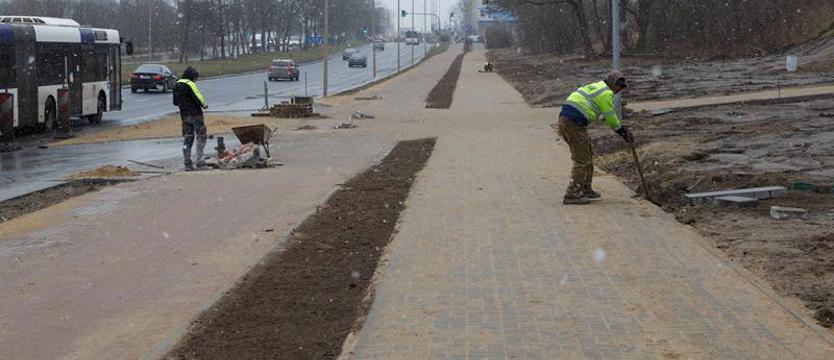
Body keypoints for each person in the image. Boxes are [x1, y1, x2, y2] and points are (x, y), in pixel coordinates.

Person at [558, 70, 634, 205]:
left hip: (571, 122)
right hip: (573, 124)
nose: (618, 91)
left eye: (621, 88)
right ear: (612, 84)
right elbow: (611, 118)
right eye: (618, 87)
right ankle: (572, 193)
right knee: (582, 160)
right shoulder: (605, 93)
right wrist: (623, 132)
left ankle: (585, 188)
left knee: (587, 155)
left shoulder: (598, 86)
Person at [173, 66, 208, 171]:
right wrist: (205, 105)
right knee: (201, 136)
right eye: (196, 78)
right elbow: (199, 98)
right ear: (192, 77)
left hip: (184, 115)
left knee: (188, 138)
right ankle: (199, 161)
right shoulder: (190, 84)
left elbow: (175, 102)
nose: (196, 81)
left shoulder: (177, 84)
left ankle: (187, 163)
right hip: (195, 114)